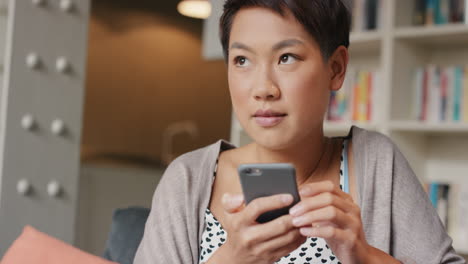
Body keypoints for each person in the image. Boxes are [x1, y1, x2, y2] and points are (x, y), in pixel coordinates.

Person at [133, 0, 466, 263]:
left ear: (336, 69)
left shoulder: (376, 162)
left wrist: (363, 256)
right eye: (242, 61)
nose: (263, 89)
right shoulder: (188, 178)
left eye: (287, 57)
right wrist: (232, 259)